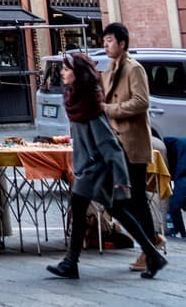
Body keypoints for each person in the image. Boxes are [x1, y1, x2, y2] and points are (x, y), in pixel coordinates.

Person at [44, 49, 163, 281]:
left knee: (79, 210)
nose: (62, 72)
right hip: (90, 168)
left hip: (95, 170)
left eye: (67, 69)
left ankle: (71, 262)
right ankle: (152, 254)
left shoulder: (89, 105)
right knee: (118, 211)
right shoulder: (76, 99)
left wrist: (121, 181)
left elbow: (111, 146)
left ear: (78, 73)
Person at [98, 23, 164, 265]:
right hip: (117, 143)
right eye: (104, 41)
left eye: (110, 41)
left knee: (134, 197)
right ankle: (151, 241)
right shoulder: (110, 68)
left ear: (122, 43)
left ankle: (150, 248)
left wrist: (110, 109)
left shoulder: (133, 69)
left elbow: (141, 102)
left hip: (132, 142)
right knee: (126, 198)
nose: (105, 45)